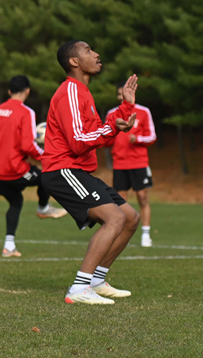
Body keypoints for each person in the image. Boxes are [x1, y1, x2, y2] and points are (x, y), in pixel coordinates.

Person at [41, 40, 141, 305]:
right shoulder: (70, 91)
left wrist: (126, 109)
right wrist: (113, 128)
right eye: (88, 51)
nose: (96, 54)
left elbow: (99, 133)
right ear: (74, 62)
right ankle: (79, 287)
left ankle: (96, 280)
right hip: (62, 170)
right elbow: (78, 140)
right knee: (115, 218)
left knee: (130, 218)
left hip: (77, 170)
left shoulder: (82, 92)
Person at [0, 75, 67, 258]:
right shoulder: (26, 112)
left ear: (9, 91)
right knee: (47, 176)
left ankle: (9, 246)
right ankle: (43, 208)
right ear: (27, 91)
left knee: (16, 201)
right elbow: (28, 145)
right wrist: (48, 156)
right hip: (14, 170)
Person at [107, 82, 157, 247]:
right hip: (119, 163)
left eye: (125, 94)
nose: (122, 97)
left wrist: (139, 139)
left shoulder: (144, 112)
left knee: (142, 198)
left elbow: (152, 136)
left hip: (139, 163)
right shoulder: (112, 113)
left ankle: (146, 234)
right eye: (119, 94)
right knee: (121, 202)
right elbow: (105, 138)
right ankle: (122, 236)